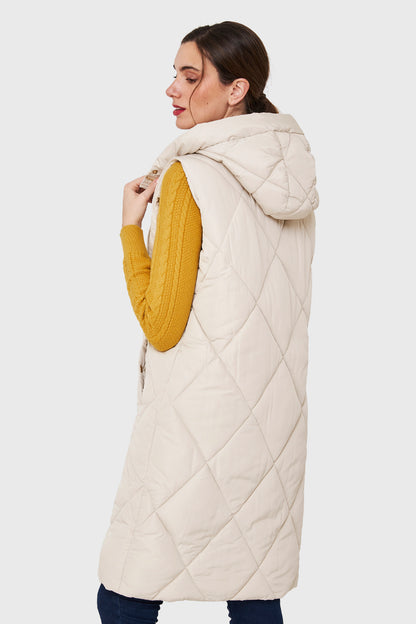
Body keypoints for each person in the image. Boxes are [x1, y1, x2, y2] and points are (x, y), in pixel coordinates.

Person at [97, 20, 319, 624]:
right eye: (174, 74)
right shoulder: (290, 178)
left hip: (193, 424)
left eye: (190, 77)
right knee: (252, 588)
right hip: (270, 423)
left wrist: (129, 231)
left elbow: (162, 325)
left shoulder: (189, 177)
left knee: (124, 594)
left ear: (236, 89)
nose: (173, 89)